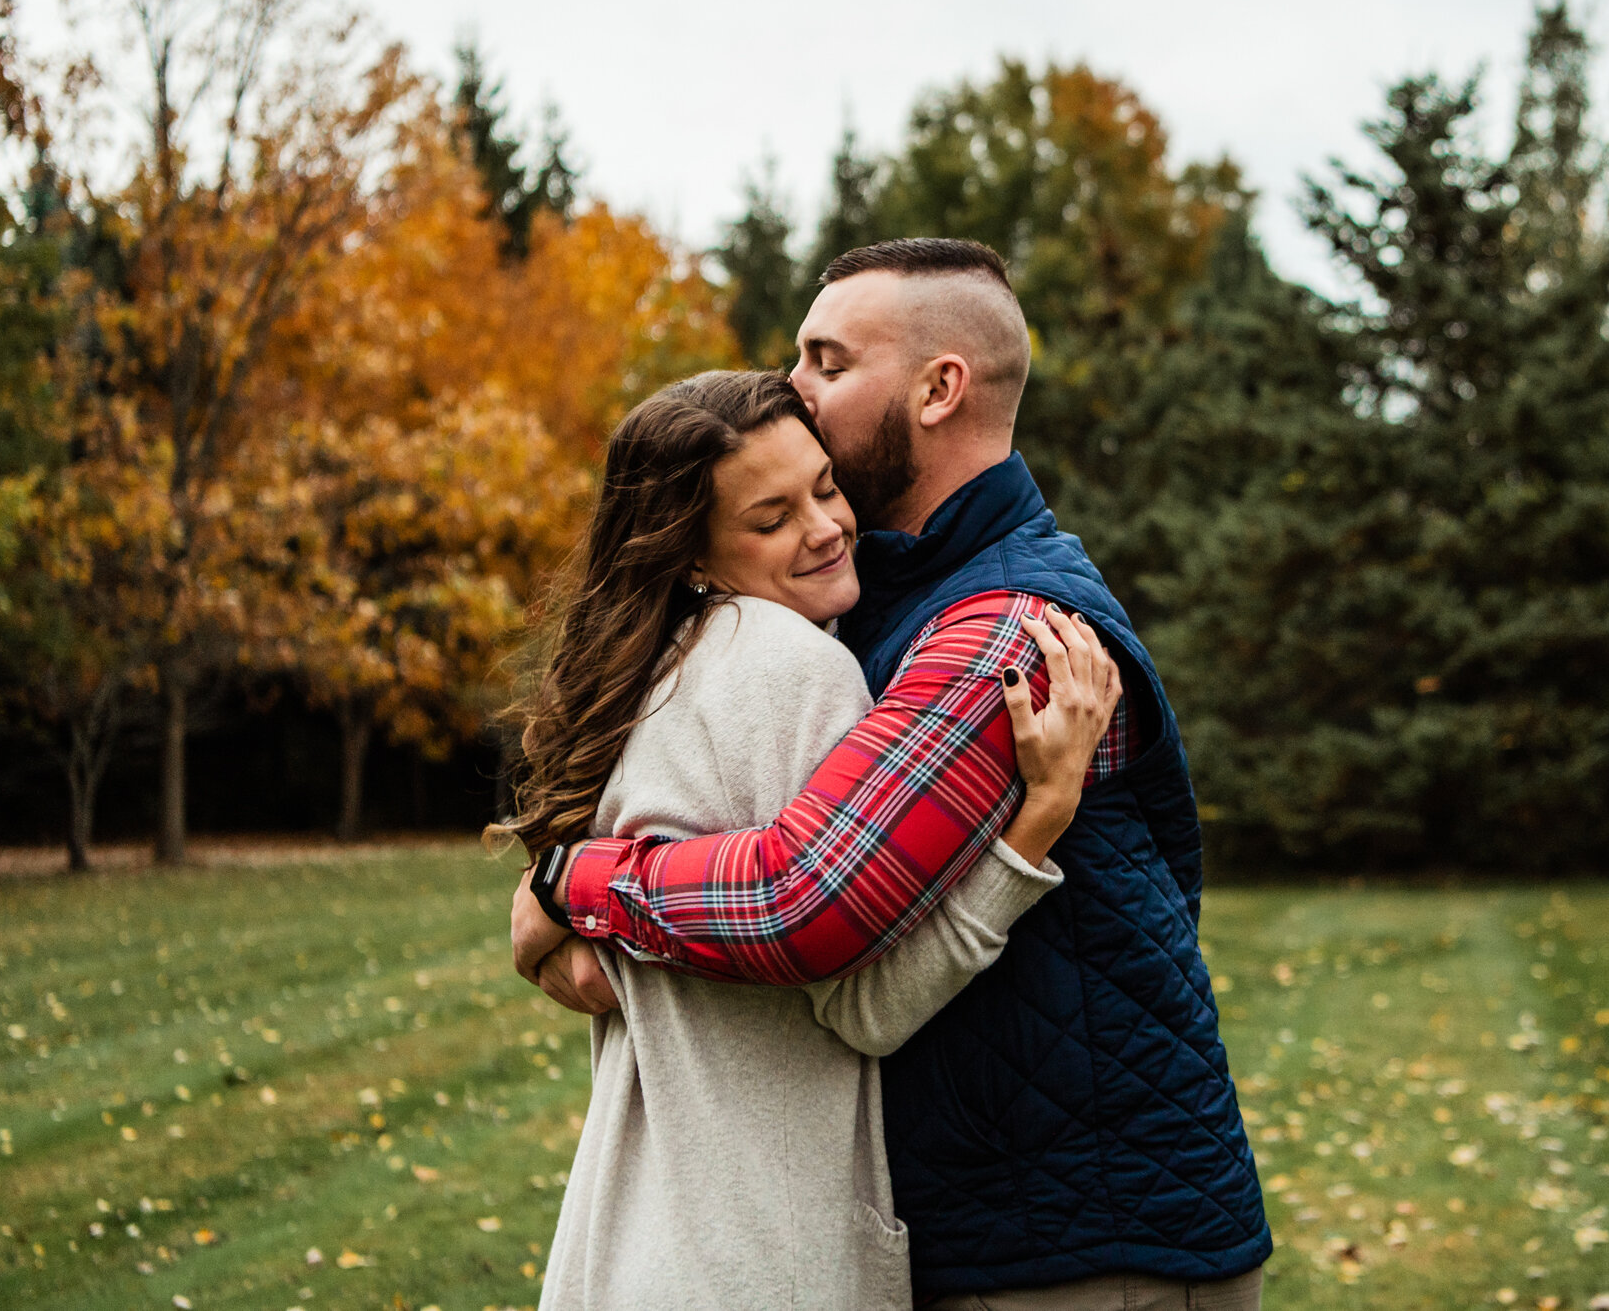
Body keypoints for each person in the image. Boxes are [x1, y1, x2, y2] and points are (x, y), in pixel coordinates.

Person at [514, 238, 1273, 1310]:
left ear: (937, 388)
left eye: (825, 361)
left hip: (1082, 1242)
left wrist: (568, 882)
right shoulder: (864, 603)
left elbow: (802, 900)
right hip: (999, 1213)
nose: (795, 390)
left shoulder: (1005, 630)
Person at [499, 370, 1125, 1311]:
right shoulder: (795, 667)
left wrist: (557, 890)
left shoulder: (653, 678)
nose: (827, 526)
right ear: (695, 555)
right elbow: (863, 1004)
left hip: (627, 1239)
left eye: (825, 487)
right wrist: (1036, 824)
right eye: (772, 517)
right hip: (759, 1251)